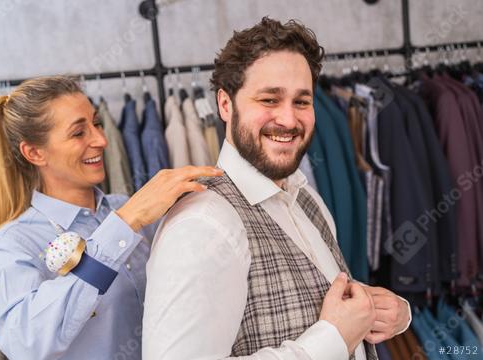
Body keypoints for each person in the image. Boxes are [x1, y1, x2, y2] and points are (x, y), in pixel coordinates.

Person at [142, 18, 411, 359]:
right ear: (226, 105)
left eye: (301, 102)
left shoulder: (305, 197)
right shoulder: (202, 226)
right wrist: (331, 338)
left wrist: (390, 312)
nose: (288, 119)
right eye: (269, 100)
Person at [0, 76, 222, 360]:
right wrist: (125, 224)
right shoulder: (14, 243)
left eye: (96, 124)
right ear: (34, 152)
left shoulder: (133, 211)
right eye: (78, 133)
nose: (102, 140)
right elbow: (25, 343)